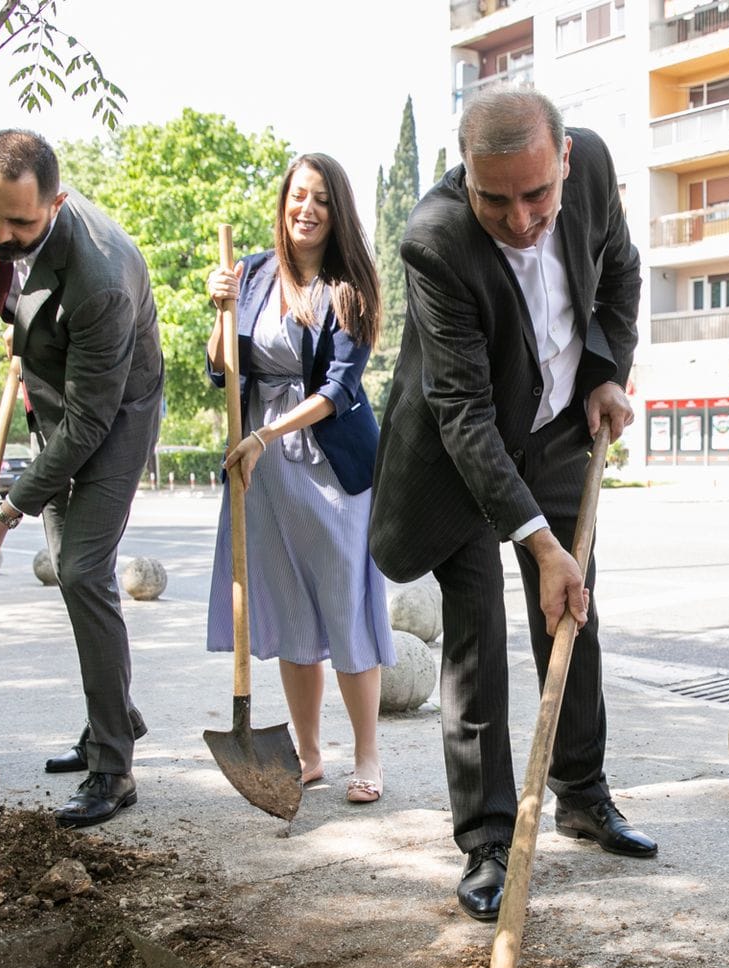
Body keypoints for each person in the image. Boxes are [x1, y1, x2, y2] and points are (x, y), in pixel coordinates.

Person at [371, 90, 651, 923]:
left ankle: (582, 792)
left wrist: (607, 370)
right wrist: (534, 541)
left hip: (562, 425)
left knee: (573, 614)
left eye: (537, 195)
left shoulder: (594, 166)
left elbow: (622, 273)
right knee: (475, 638)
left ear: (565, 158)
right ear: (466, 174)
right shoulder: (434, 242)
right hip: (465, 451)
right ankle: (489, 838)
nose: (521, 218)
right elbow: (461, 410)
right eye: (495, 199)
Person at [0, 129, 163, 828]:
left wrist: (6, 512)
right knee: (80, 575)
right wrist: (23, 341)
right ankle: (117, 716)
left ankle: (114, 769)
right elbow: (14, 285)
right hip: (57, 405)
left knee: (79, 569)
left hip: (112, 417)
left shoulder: (100, 279)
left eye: (20, 221)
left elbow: (90, 425)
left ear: (57, 201)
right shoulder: (1, 227)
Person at [204, 154, 392, 803]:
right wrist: (219, 311)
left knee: (345, 608)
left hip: (329, 469)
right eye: (297, 196)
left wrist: (265, 434)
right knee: (289, 606)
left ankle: (367, 757)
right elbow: (224, 370)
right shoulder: (253, 273)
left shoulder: (349, 288)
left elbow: (339, 390)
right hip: (264, 474)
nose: (305, 209)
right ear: (284, 204)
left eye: (320, 200)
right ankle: (309, 755)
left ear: (336, 211)